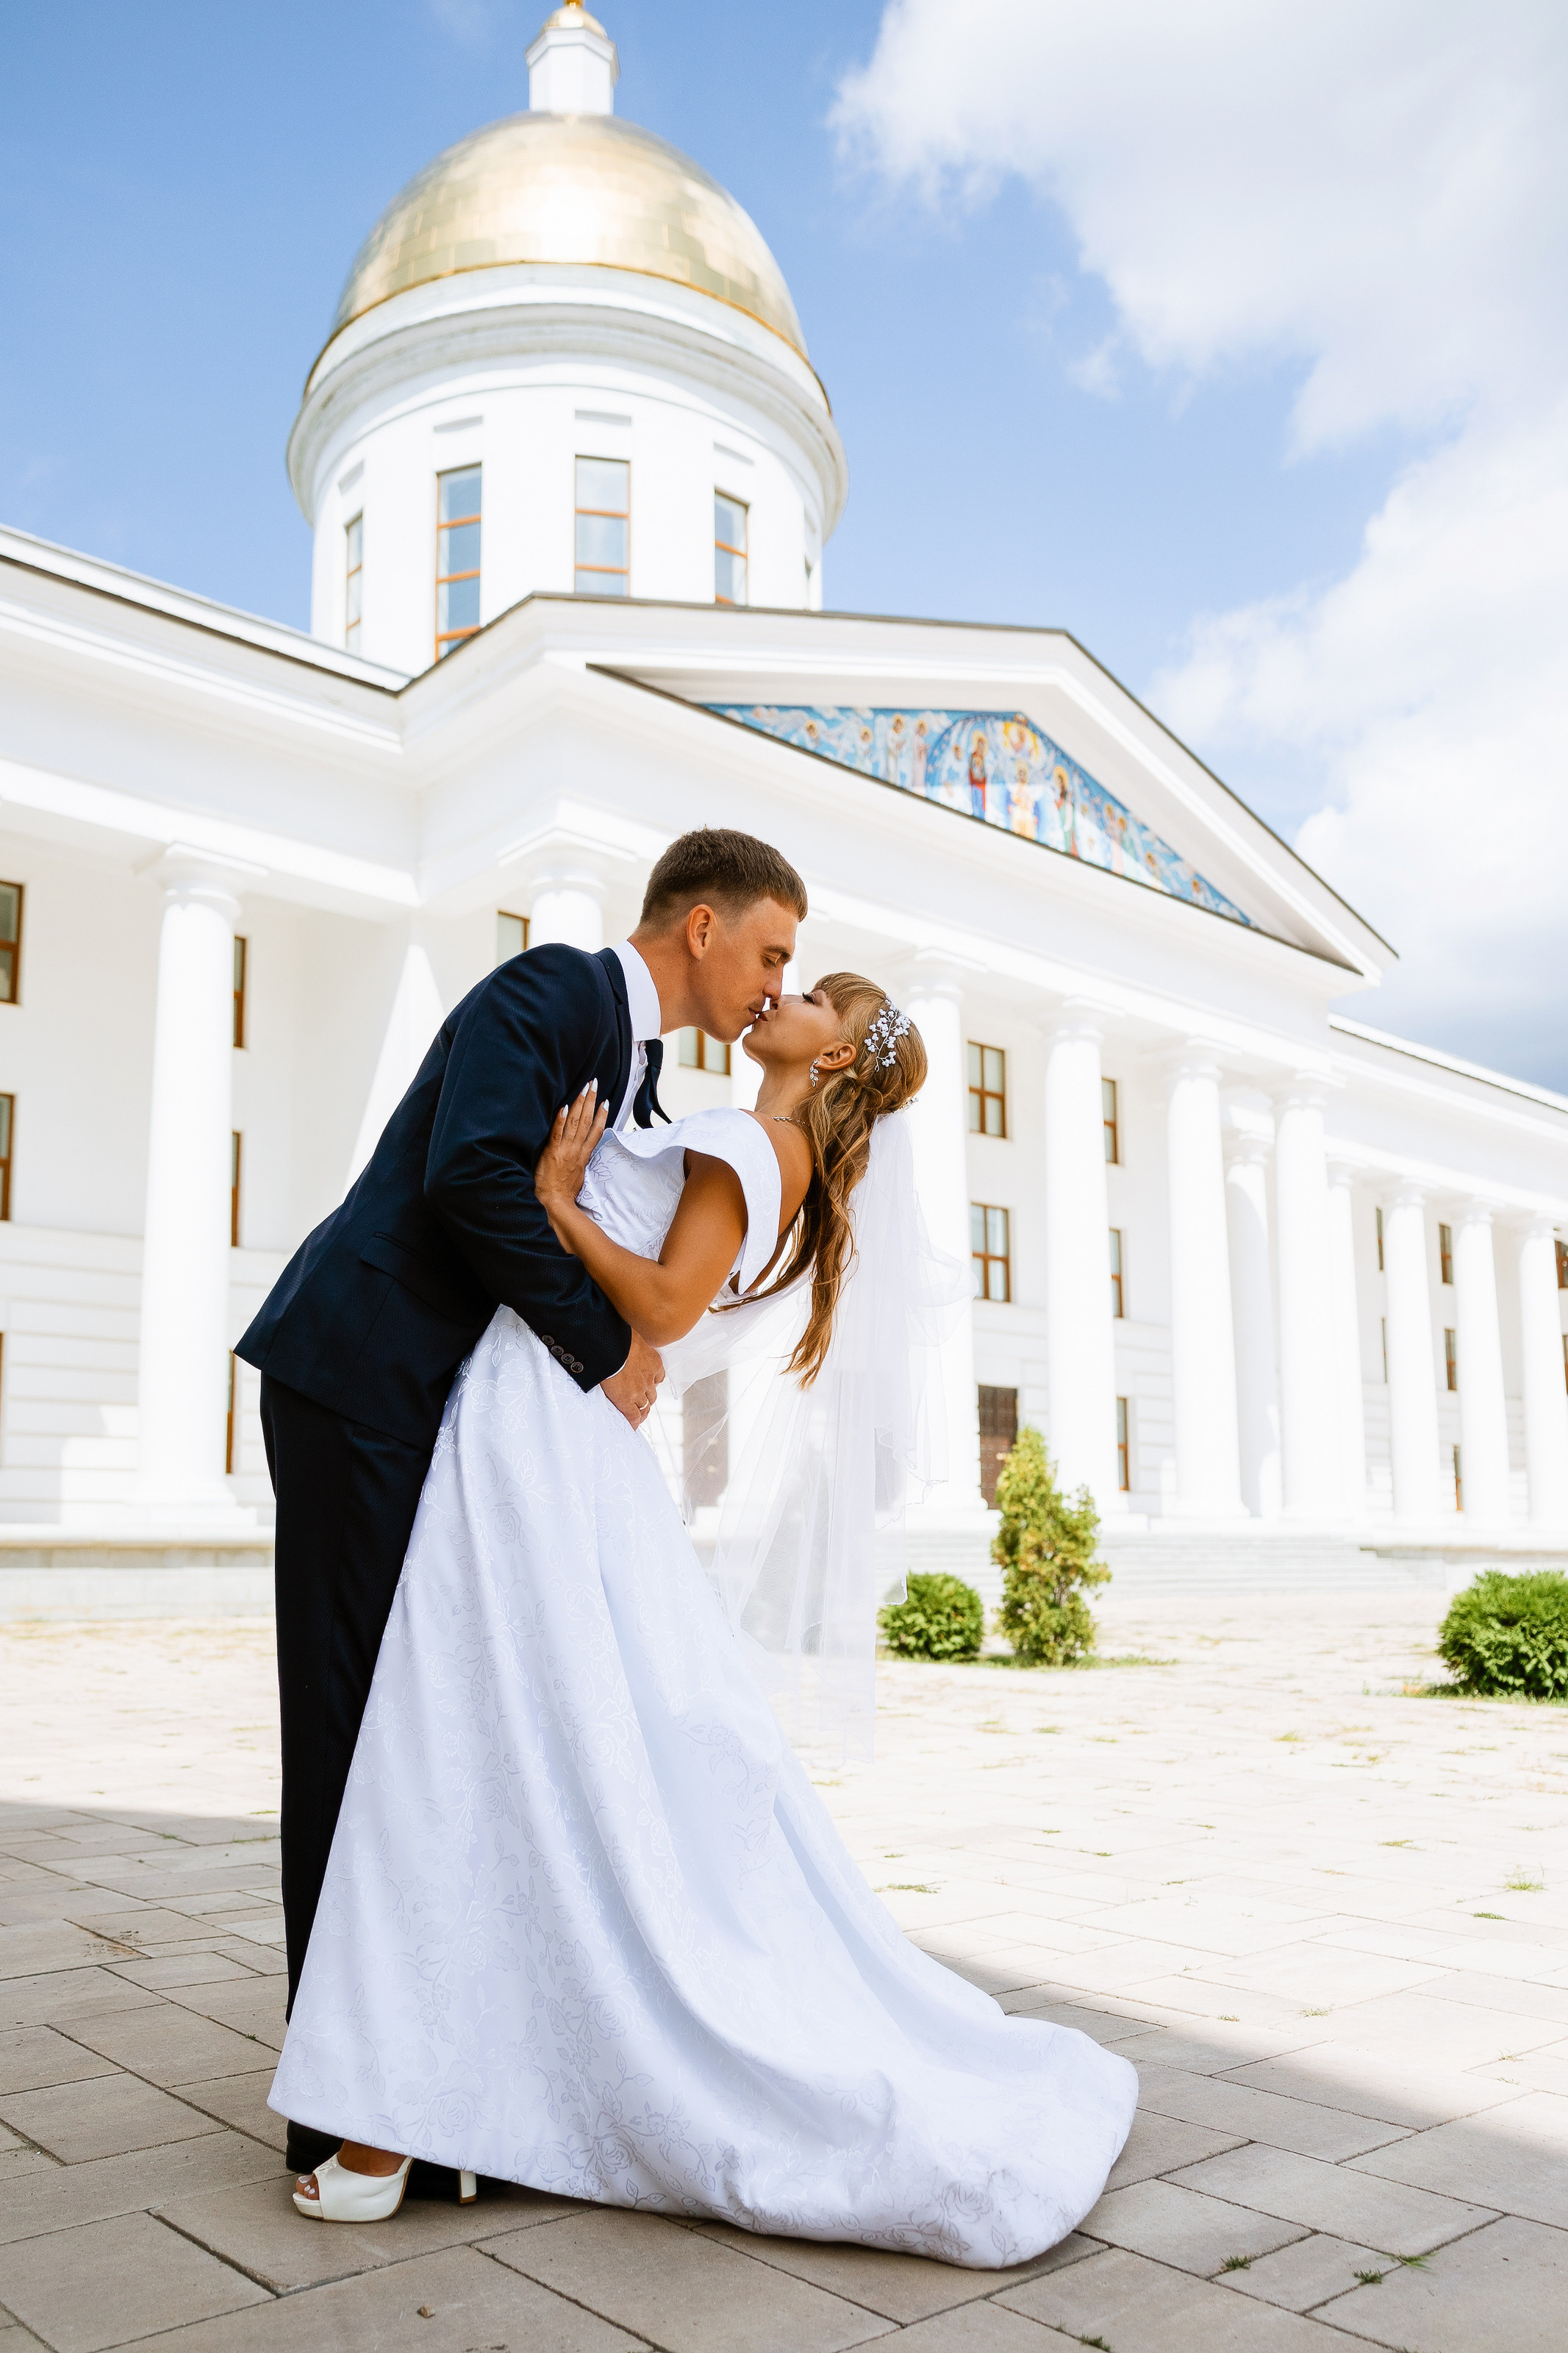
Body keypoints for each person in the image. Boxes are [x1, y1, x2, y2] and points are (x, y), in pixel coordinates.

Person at [269, 971, 1138, 2264]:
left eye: (812, 997)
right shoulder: (749, 1131)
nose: (779, 994)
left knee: (458, 1734)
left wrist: (558, 1201)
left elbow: (665, 1311)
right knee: (498, 1740)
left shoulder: (749, 1142)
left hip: (540, 1416)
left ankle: (413, 2104)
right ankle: (430, 2085)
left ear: (835, 1062)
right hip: (540, 1417)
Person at [235, 826, 807, 2179]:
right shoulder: (549, 990)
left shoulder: (642, 1064)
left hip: (431, 1411)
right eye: (769, 951)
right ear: (702, 927)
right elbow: (467, 1178)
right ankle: (344, 2121)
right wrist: (605, 1350)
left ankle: (416, 2080)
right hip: (356, 1378)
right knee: (346, 1733)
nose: (773, 983)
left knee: (409, 1738)